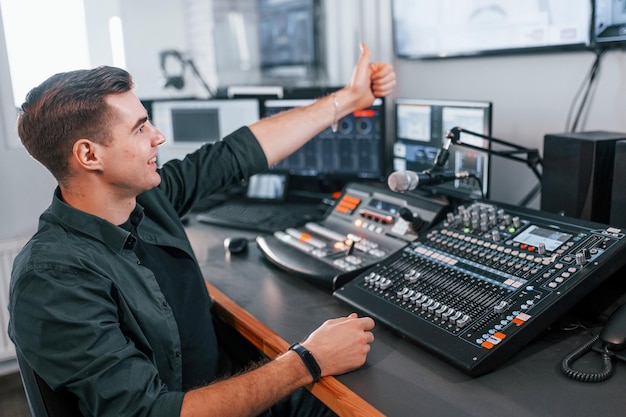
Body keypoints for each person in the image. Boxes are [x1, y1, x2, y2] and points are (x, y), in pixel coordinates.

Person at [8, 42, 396, 417]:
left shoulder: (144, 200)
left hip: (231, 384)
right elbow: (151, 413)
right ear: (89, 154)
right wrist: (307, 360)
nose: (159, 137)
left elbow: (235, 154)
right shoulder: (53, 279)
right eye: (140, 128)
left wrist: (350, 98)